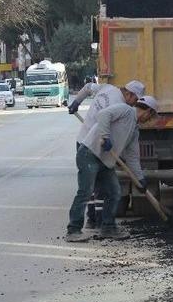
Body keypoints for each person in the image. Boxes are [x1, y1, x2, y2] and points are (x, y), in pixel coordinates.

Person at [66, 96, 158, 243]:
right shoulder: (125, 110)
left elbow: (133, 157)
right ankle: (73, 230)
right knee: (85, 191)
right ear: (147, 111)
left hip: (105, 162)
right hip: (90, 153)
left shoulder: (134, 130)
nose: (149, 120)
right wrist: (105, 136)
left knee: (114, 192)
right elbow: (103, 115)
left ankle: (108, 227)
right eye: (151, 116)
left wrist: (140, 179)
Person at [68, 80, 145, 229]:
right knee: (89, 187)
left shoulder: (107, 88)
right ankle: (87, 222)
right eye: (135, 100)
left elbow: (88, 87)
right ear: (129, 94)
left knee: (102, 188)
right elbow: (103, 117)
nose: (134, 104)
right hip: (92, 143)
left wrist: (77, 101)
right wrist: (105, 137)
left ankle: (98, 221)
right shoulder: (121, 106)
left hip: (84, 140)